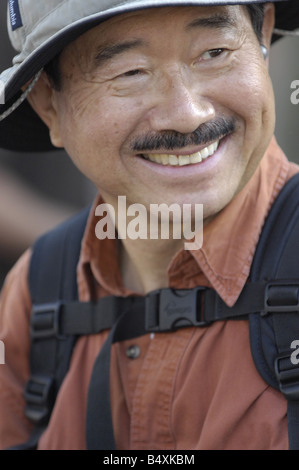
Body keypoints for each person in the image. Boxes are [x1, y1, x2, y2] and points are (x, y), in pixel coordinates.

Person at [0, 0, 299, 451]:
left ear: (262, 39)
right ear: (48, 106)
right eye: (130, 72)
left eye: (214, 52)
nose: (187, 114)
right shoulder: (41, 289)